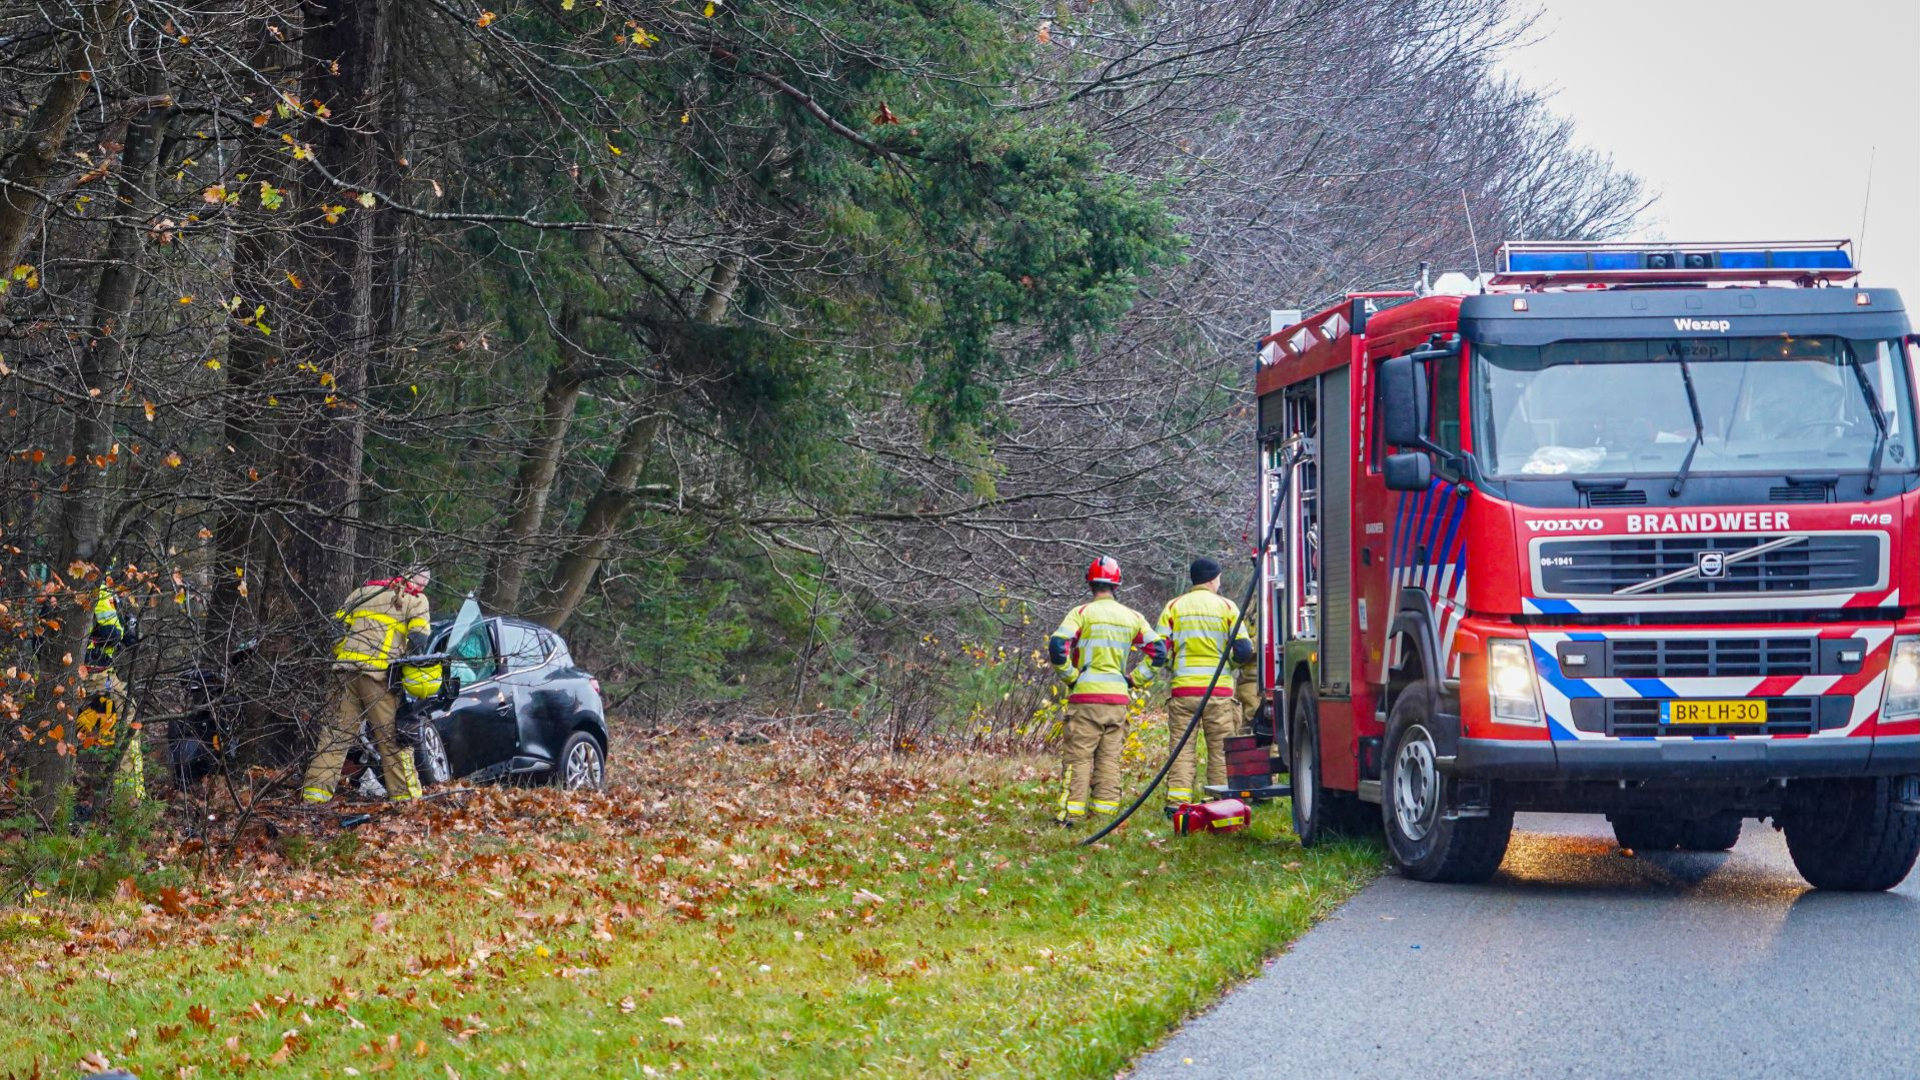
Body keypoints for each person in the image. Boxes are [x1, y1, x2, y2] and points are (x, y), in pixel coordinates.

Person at [1048, 556, 1167, 824]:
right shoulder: (1133, 617)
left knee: (1078, 758)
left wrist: (1071, 677)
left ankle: (1070, 815)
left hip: (1086, 699)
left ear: (1090, 584)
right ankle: (1105, 815)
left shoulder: (1081, 613)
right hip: (1117, 701)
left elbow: (1057, 646)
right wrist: (1134, 680)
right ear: (1117, 585)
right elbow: (1158, 651)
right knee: (1109, 759)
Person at [302, 565, 432, 804]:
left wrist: (344, 655)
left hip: (345, 672)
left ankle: (314, 797)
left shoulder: (363, 592)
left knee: (334, 737)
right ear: (420, 582)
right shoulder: (416, 600)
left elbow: (335, 630)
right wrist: (410, 674)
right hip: (379, 677)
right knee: (393, 739)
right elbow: (418, 640)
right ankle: (406, 801)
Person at [1155, 558, 1254, 812]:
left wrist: (1173, 666)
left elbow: (1160, 649)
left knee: (1181, 749)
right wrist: (1229, 665)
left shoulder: (1173, 607)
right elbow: (1244, 649)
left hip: (1183, 691)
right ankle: (1222, 804)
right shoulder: (1227, 607)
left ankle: (1176, 804)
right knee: (1221, 750)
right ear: (1212, 579)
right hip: (1219, 693)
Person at [77, 584, 145, 805]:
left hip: (88, 676)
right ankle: (129, 802)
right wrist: (124, 628)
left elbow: (118, 637)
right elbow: (111, 634)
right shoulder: (96, 589)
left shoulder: (61, 586)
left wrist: (127, 629)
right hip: (90, 677)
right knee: (127, 717)